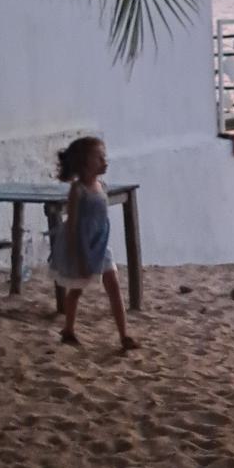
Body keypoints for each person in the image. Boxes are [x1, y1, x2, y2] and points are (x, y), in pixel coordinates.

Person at [50, 137, 137, 352]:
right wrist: (78, 256)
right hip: (83, 245)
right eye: (99, 157)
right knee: (78, 288)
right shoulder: (78, 190)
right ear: (86, 162)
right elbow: (72, 227)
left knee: (114, 286)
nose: (104, 160)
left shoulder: (101, 186)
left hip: (101, 244)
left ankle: (124, 335)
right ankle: (68, 329)